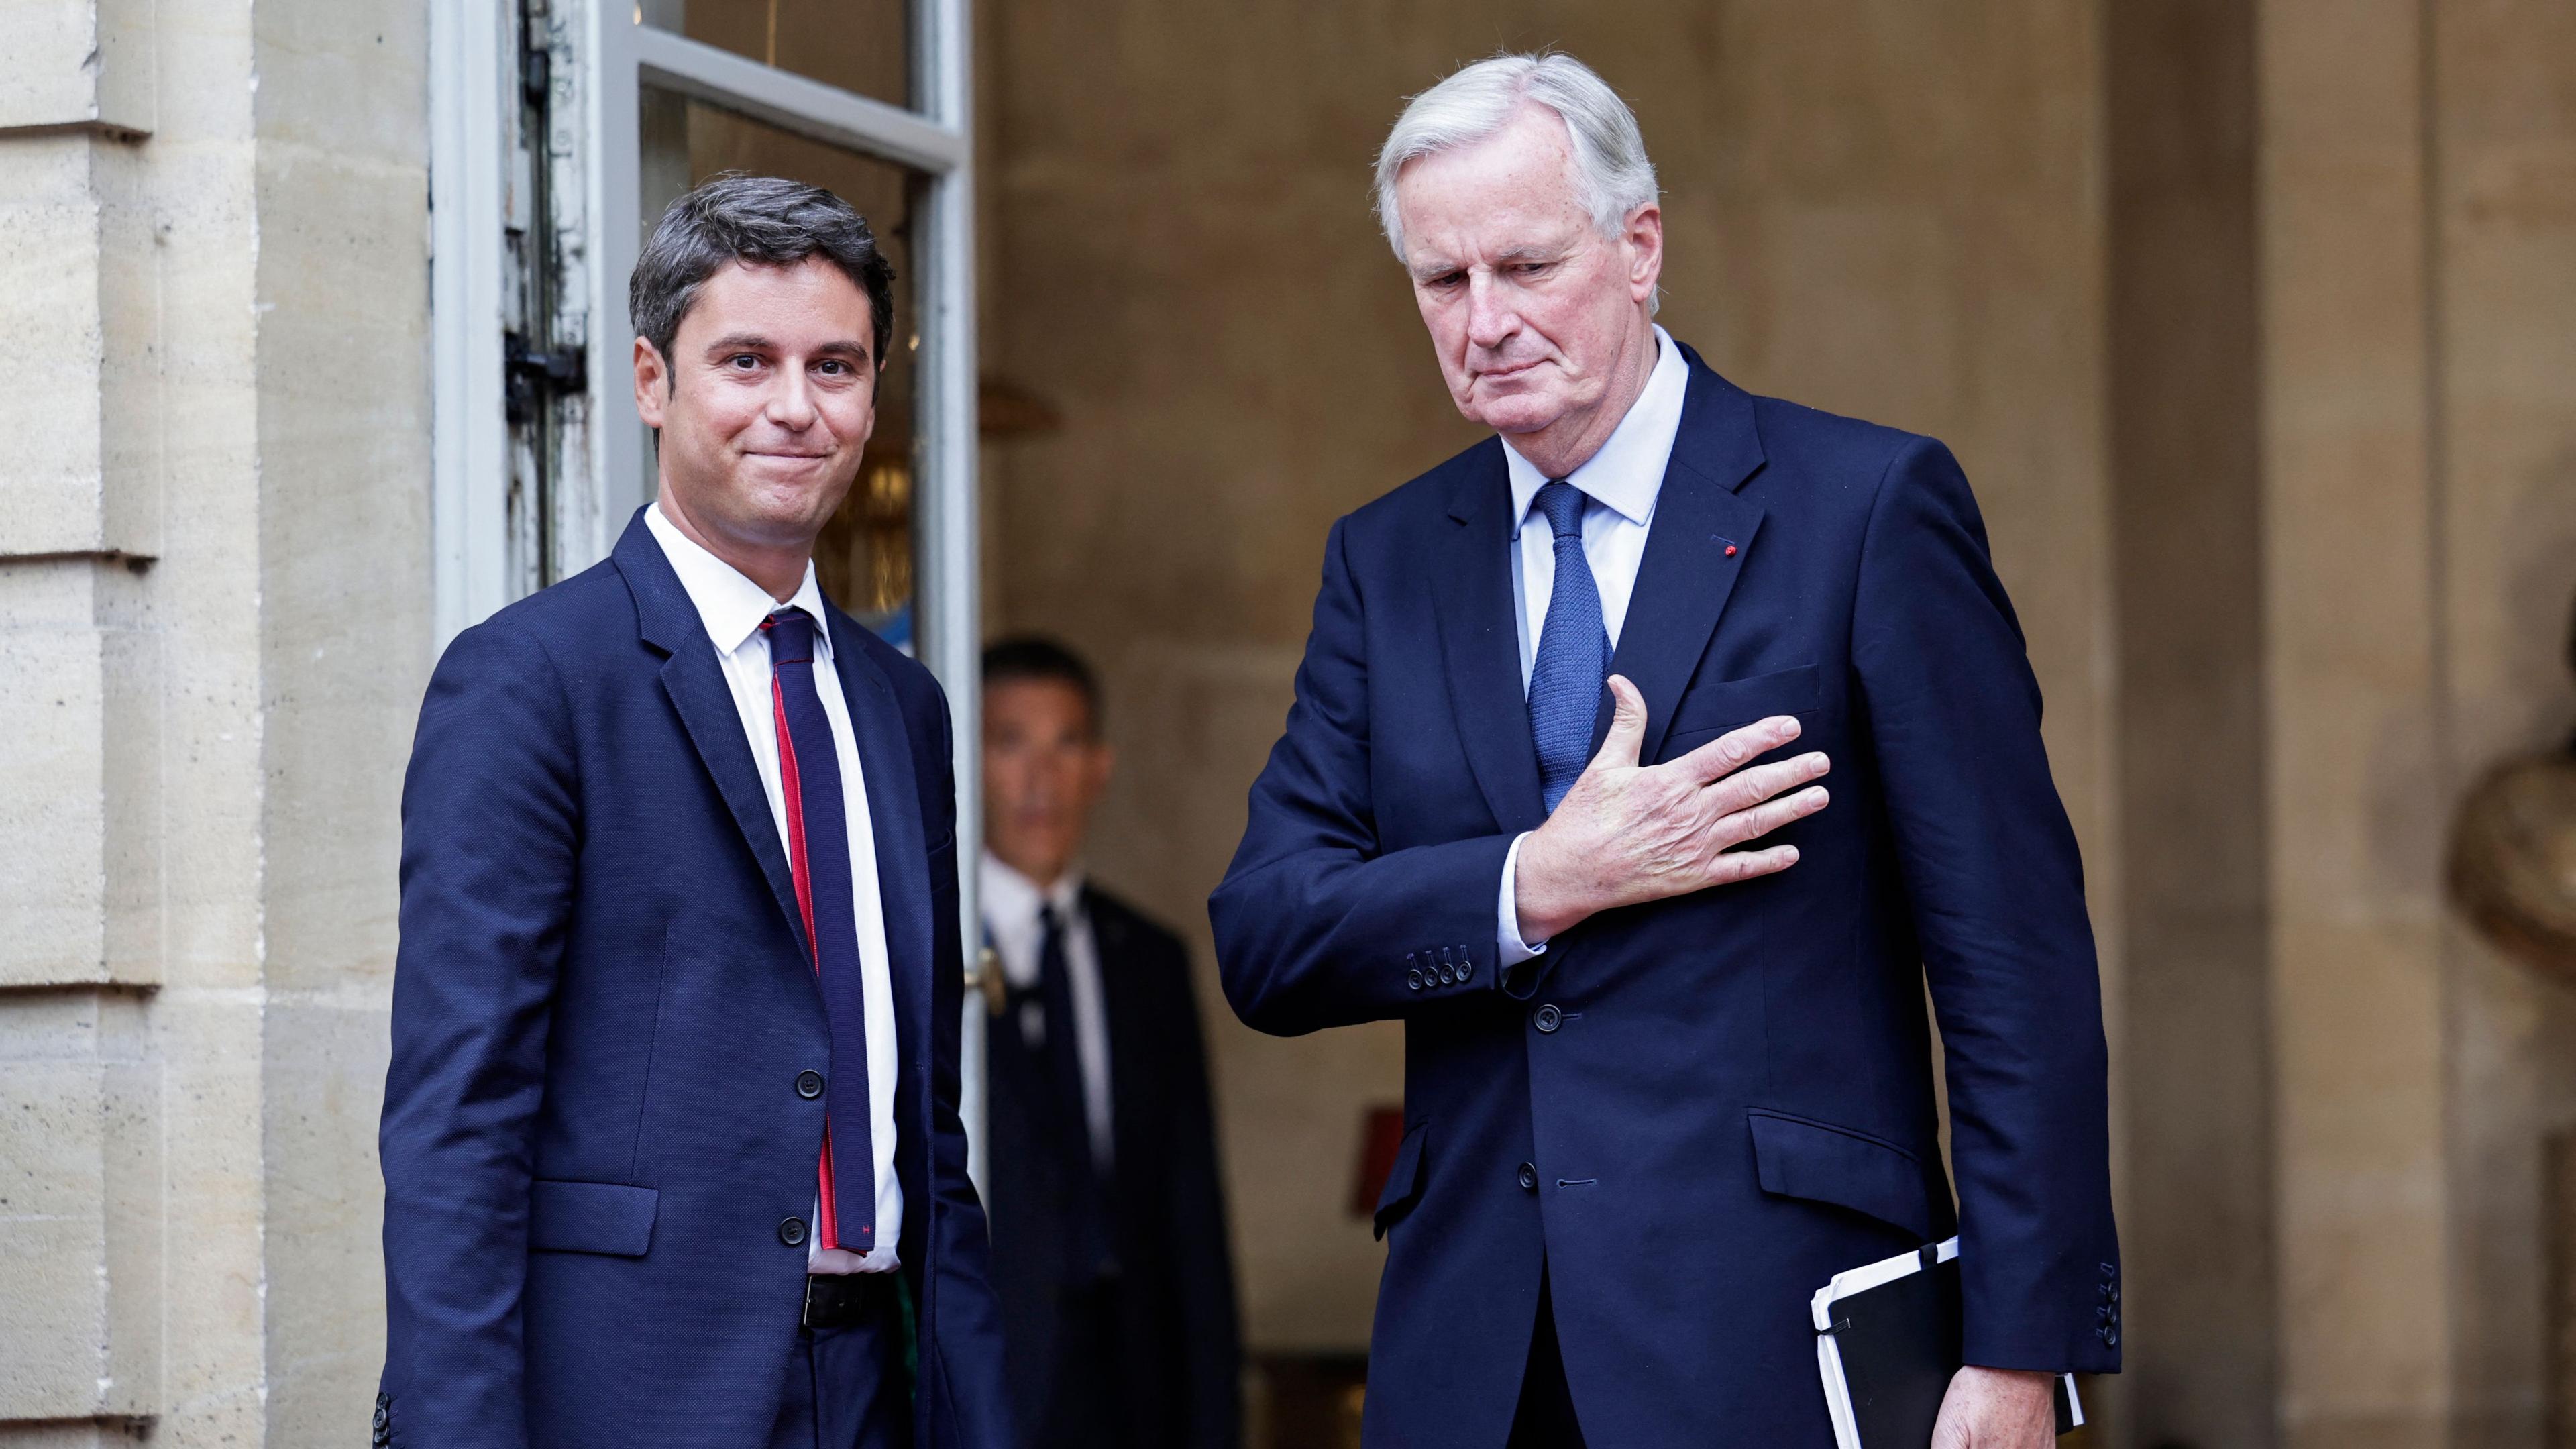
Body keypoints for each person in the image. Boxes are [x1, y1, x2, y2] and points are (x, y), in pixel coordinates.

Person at [1210, 53, 2119, 1449]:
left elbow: (2014, 963)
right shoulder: (1388, 559)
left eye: (1527, 264)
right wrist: (1530, 883)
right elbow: (1268, 934)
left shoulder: (1867, 508)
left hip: (1775, 1331)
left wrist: (2019, 1352)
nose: (1488, 321)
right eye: (1443, 284)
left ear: (1640, 248)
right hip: (1476, 1359)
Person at [377, 174, 1008, 1449]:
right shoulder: (531, 682)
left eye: (836, 366)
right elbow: (459, 1124)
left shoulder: (904, 707)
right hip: (636, 1396)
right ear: (653, 381)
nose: (795, 406)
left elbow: (921, 1123)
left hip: (879, 1390)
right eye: (745, 360)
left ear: (875, 393)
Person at [976, 636, 1242, 1449]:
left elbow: (1192, 1213)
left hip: (1135, 1393)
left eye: (1066, 746)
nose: (1039, 780)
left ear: (1101, 766)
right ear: (971, 761)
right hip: (988, 1383)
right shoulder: (925, 953)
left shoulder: (1151, 960)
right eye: (1010, 744)